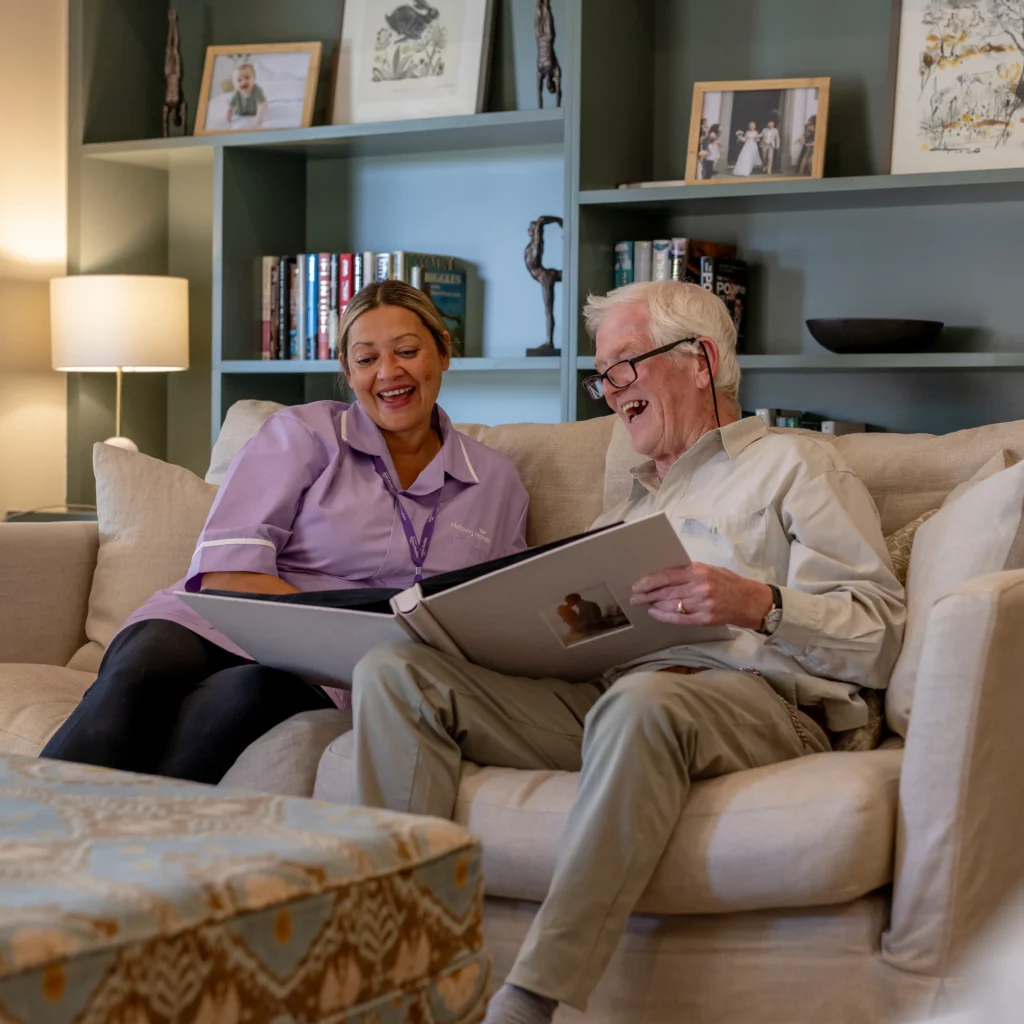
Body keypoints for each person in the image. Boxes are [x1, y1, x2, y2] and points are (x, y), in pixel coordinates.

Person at [345, 280, 906, 1024]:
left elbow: (879, 638)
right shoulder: (629, 509)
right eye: (602, 375)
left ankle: (530, 996)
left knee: (646, 701)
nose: (610, 393)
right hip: (609, 697)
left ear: (700, 361)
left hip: (755, 702)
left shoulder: (798, 465)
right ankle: (401, 975)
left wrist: (758, 604)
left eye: (625, 366)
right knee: (395, 672)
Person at [41, 281, 529, 784]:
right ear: (347, 371)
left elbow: (499, 615)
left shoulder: (496, 482)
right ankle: (22, 838)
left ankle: (134, 844)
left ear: (443, 352)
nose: (389, 373)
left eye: (407, 351)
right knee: (141, 673)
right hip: (218, 620)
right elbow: (228, 573)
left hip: (325, 666)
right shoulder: (302, 434)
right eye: (366, 359)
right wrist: (334, 627)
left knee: (241, 700)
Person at [226, 62, 268, 126]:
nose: (243, 82)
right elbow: (230, 108)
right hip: (239, 112)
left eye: (247, 77)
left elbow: (261, 105)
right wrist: (228, 119)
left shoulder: (257, 90)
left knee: (264, 105)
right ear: (234, 84)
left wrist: (258, 120)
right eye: (239, 80)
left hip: (254, 111)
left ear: (254, 78)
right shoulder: (236, 93)